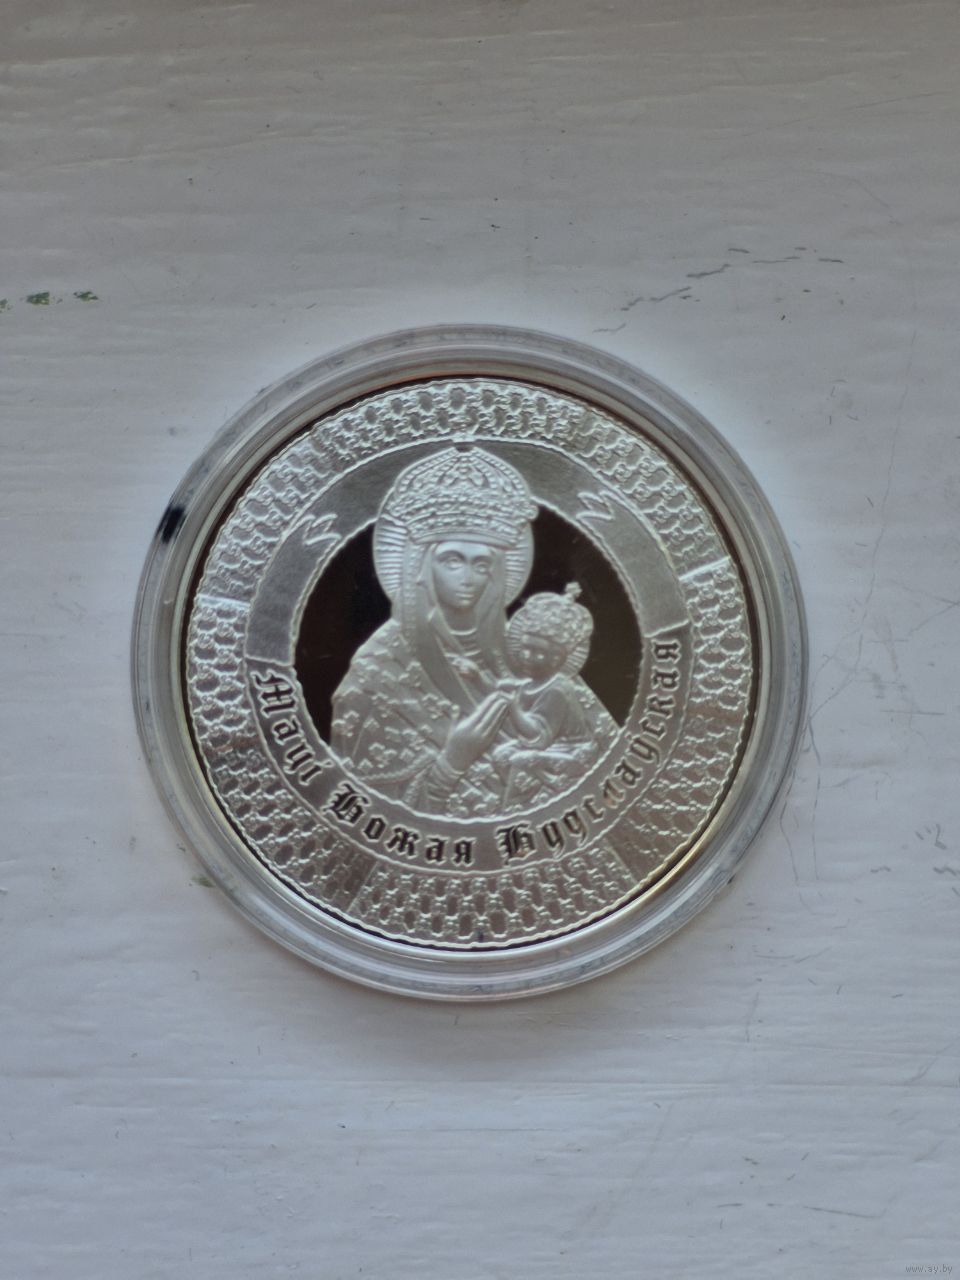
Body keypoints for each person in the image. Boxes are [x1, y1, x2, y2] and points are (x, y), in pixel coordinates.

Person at [330, 445, 616, 817]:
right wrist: (450, 764)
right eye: (452, 561)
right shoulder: (380, 667)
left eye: (481, 565)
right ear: (421, 566)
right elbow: (355, 812)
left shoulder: (528, 650)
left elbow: (609, 767)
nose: (468, 578)